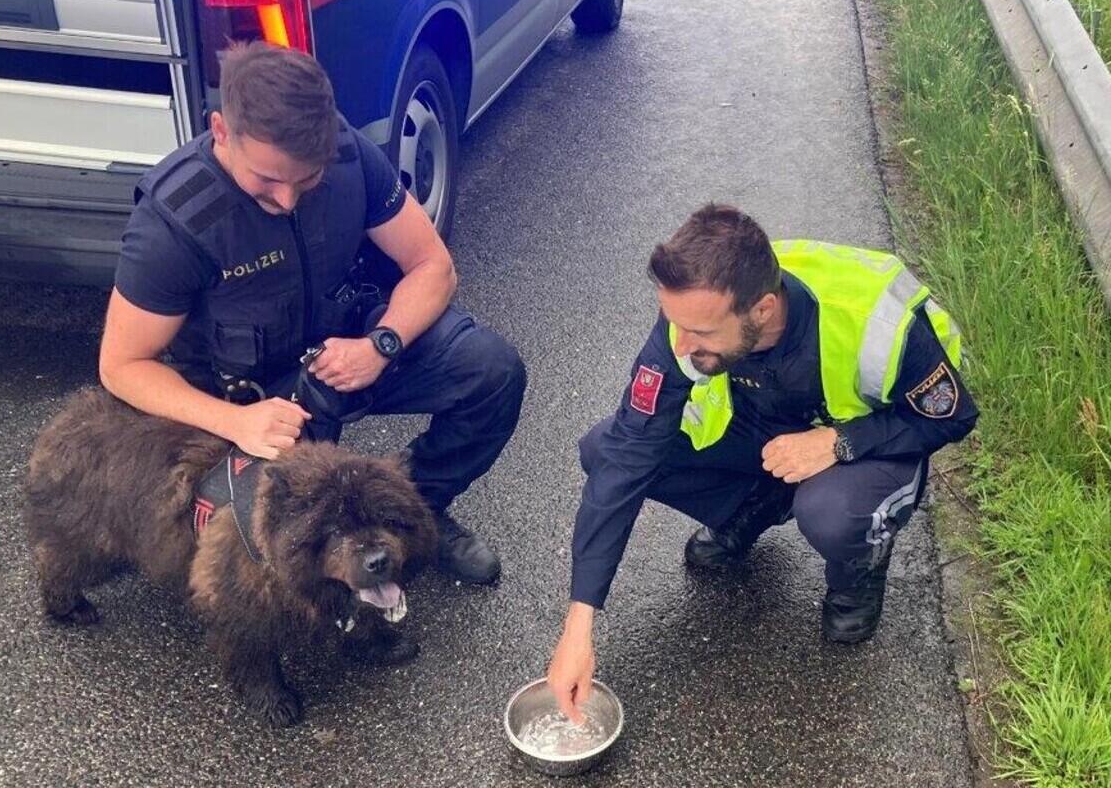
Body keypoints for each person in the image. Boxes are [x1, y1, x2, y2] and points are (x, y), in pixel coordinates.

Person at [98, 41, 525, 586]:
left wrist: (382, 344)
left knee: (492, 372)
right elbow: (121, 366)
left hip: (346, 353)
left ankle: (413, 510)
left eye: (306, 180)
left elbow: (432, 265)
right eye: (267, 180)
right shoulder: (175, 223)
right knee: (263, 559)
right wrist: (236, 422)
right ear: (221, 130)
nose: (287, 200)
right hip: (247, 399)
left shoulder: (348, 155)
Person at [546, 203, 977, 721]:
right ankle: (757, 502)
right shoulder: (691, 316)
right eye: (674, 324)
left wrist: (839, 442)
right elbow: (626, 452)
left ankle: (858, 571)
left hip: (864, 440)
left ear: (763, 310)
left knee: (832, 513)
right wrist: (579, 625)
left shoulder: (875, 321)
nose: (680, 344)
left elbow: (949, 418)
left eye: (700, 333)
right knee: (603, 450)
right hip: (762, 427)